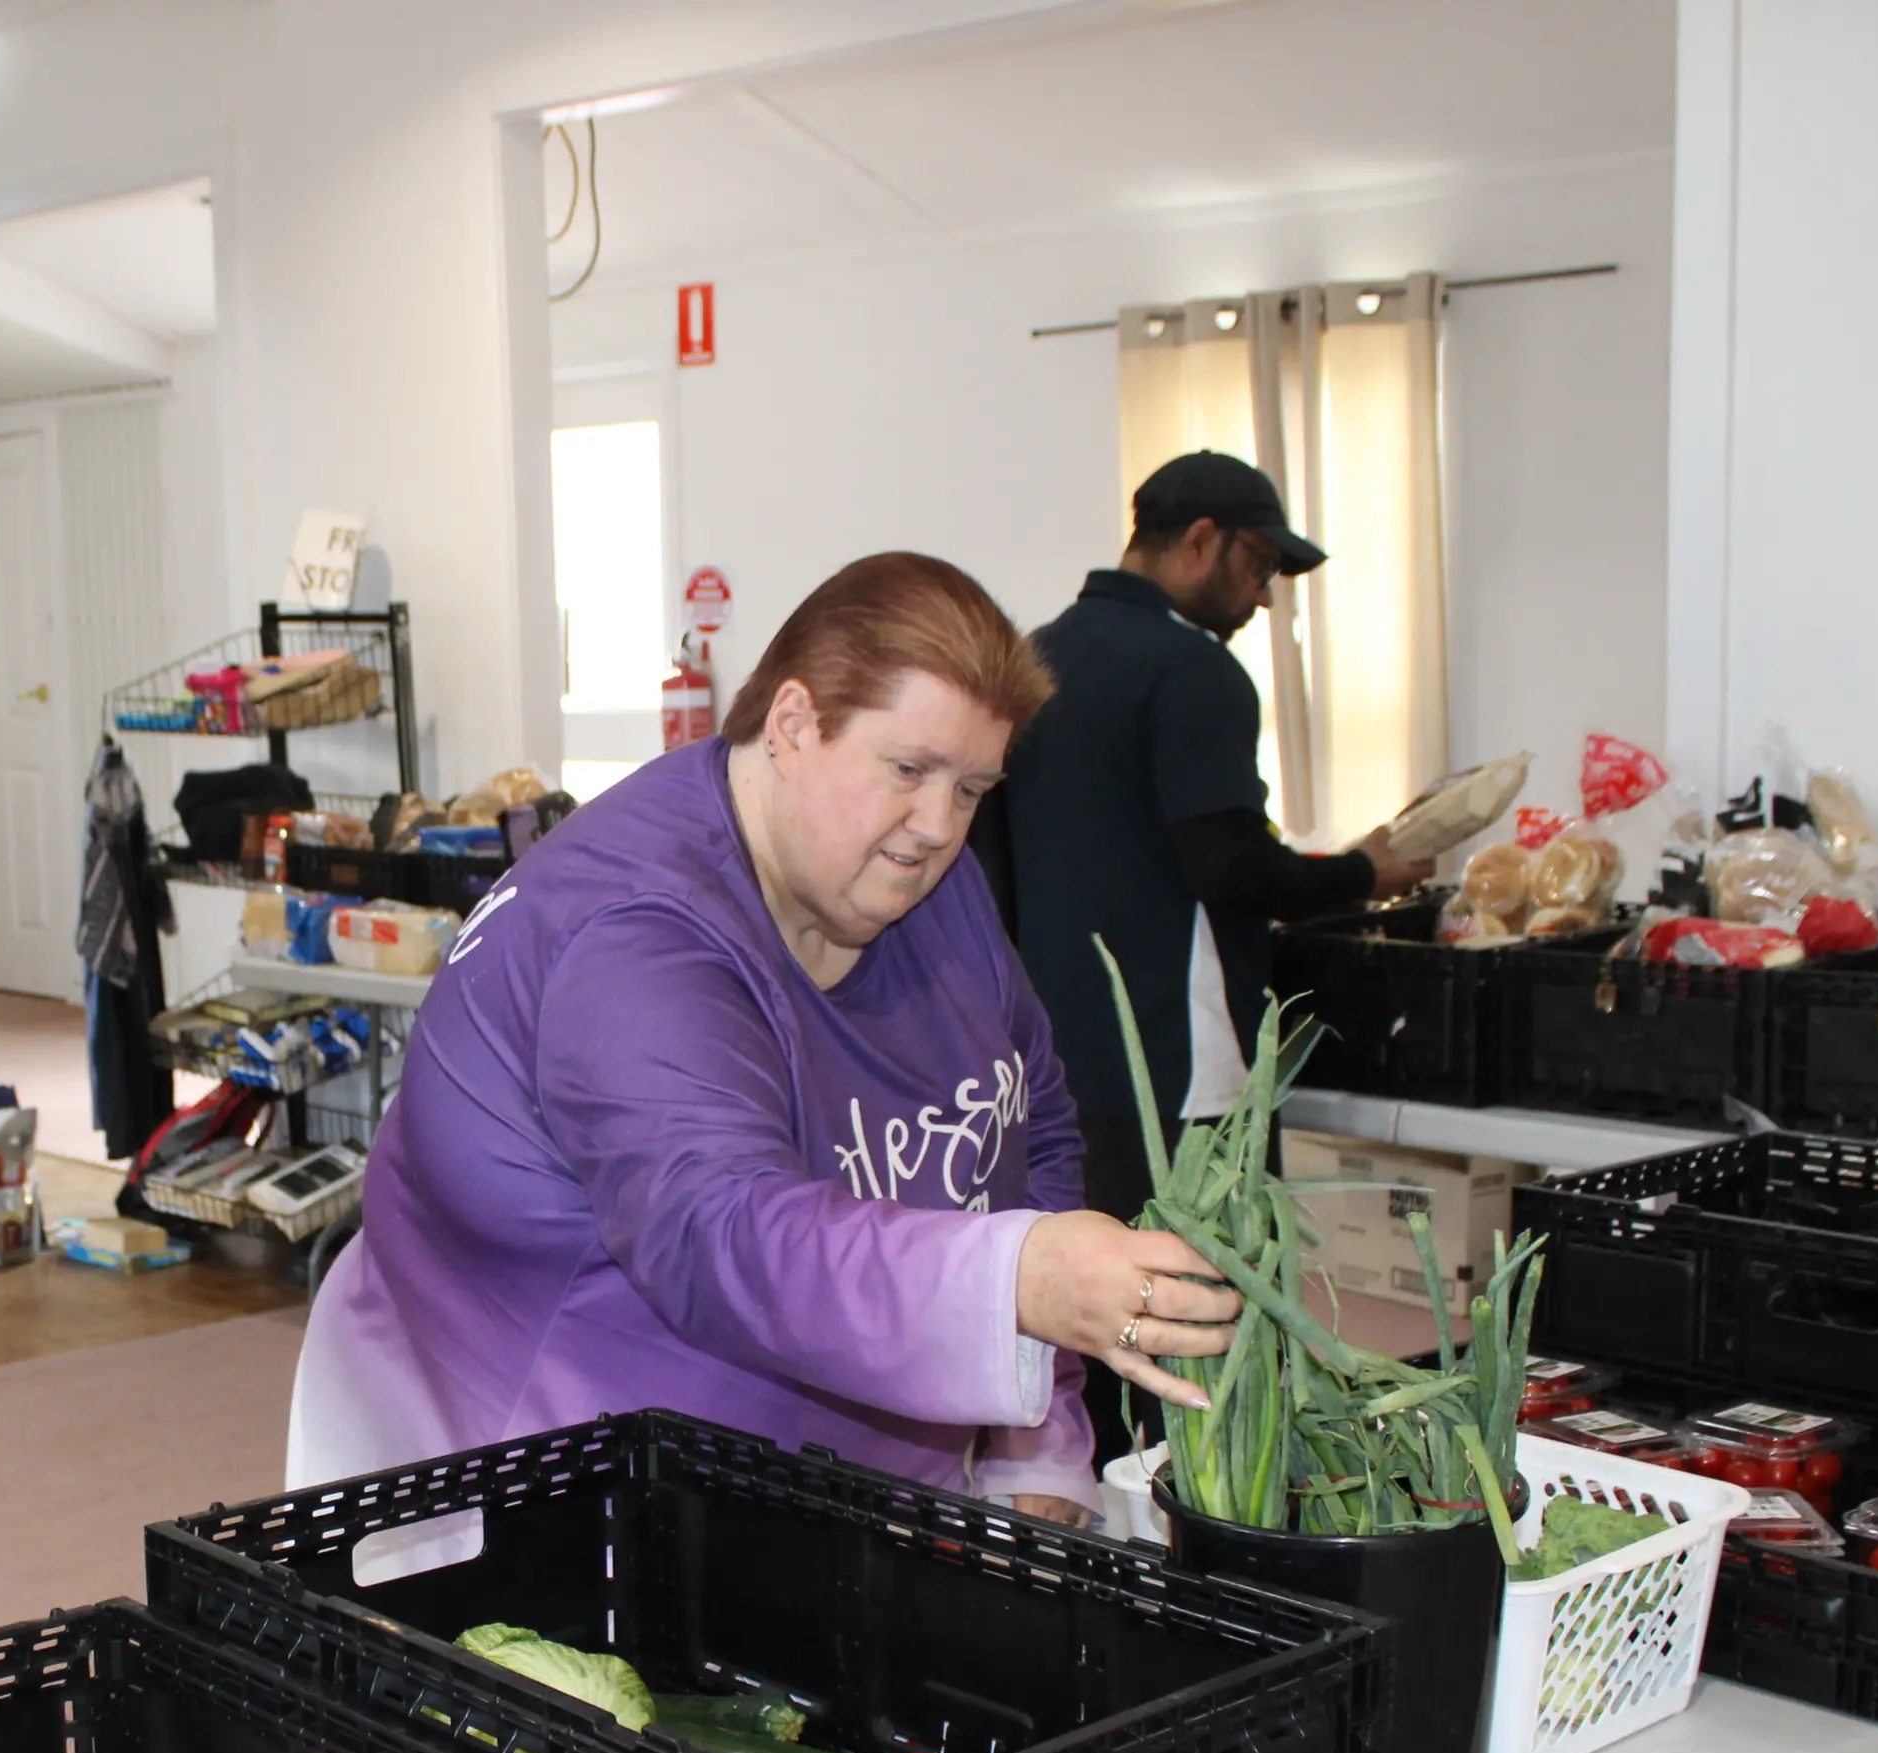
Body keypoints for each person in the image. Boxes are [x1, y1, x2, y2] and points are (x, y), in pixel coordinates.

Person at [284, 553, 1246, 1526]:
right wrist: (1017, 1282)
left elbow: (1026, 1120)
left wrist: (1037, 1439)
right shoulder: (631, 932)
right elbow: (723, 1235)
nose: (937, 825)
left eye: (972, 788)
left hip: (835, 1504)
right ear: (791, 723)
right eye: (908, 770)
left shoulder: (921, 878)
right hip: (564, 1499)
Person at [975, 452, 1432, 1226]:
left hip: (1054, 1059)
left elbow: (994, 865)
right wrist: (1364, 871)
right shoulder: (1194, 672)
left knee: (1091, 1276)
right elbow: (1232, 868)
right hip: (1180, 1064)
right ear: (1199, 540)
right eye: (1260, 564)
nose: (1265, 594)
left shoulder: (1032, 658)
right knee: (1205, 1283)